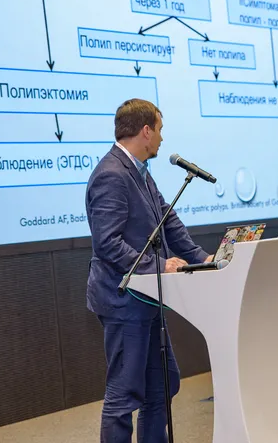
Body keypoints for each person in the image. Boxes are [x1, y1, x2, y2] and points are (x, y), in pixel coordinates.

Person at [86, 98, 212, 442]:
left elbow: (167, 221)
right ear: (145, 131)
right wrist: (160, 265)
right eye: (159, 130)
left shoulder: (140, 172)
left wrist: (203, 258)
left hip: (147, 300)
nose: (161, 138)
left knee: (162, 385)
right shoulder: (111, 175)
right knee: (124, 393)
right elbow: (107, 244)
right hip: (123, 302)